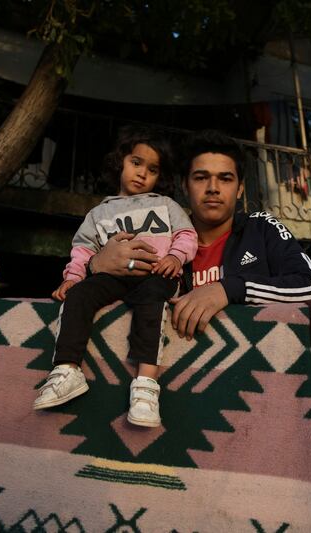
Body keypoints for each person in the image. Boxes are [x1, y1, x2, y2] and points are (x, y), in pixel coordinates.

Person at [85, 129, 311, 341]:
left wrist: (227, 289)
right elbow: (100, 295)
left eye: (225, 178)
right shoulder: (157, 235)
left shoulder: (261, 227)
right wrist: (94, 265)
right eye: (201, 177)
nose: (213, 187)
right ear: (184, 186)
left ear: (240, 188)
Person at [33, 126, 198, 429]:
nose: (142, 173)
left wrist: (175, 257)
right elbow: (83, 249)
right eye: (136, 163)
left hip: (155, 274)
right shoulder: (99, 213)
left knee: (152, 299)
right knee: (79, 295)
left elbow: (187, 235)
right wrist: (73, 277)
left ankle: (146, 386)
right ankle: (67, 370)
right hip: (114, 277)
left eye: (152, 169)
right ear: (120, 162)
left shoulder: (166, 205)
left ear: (159, 177)